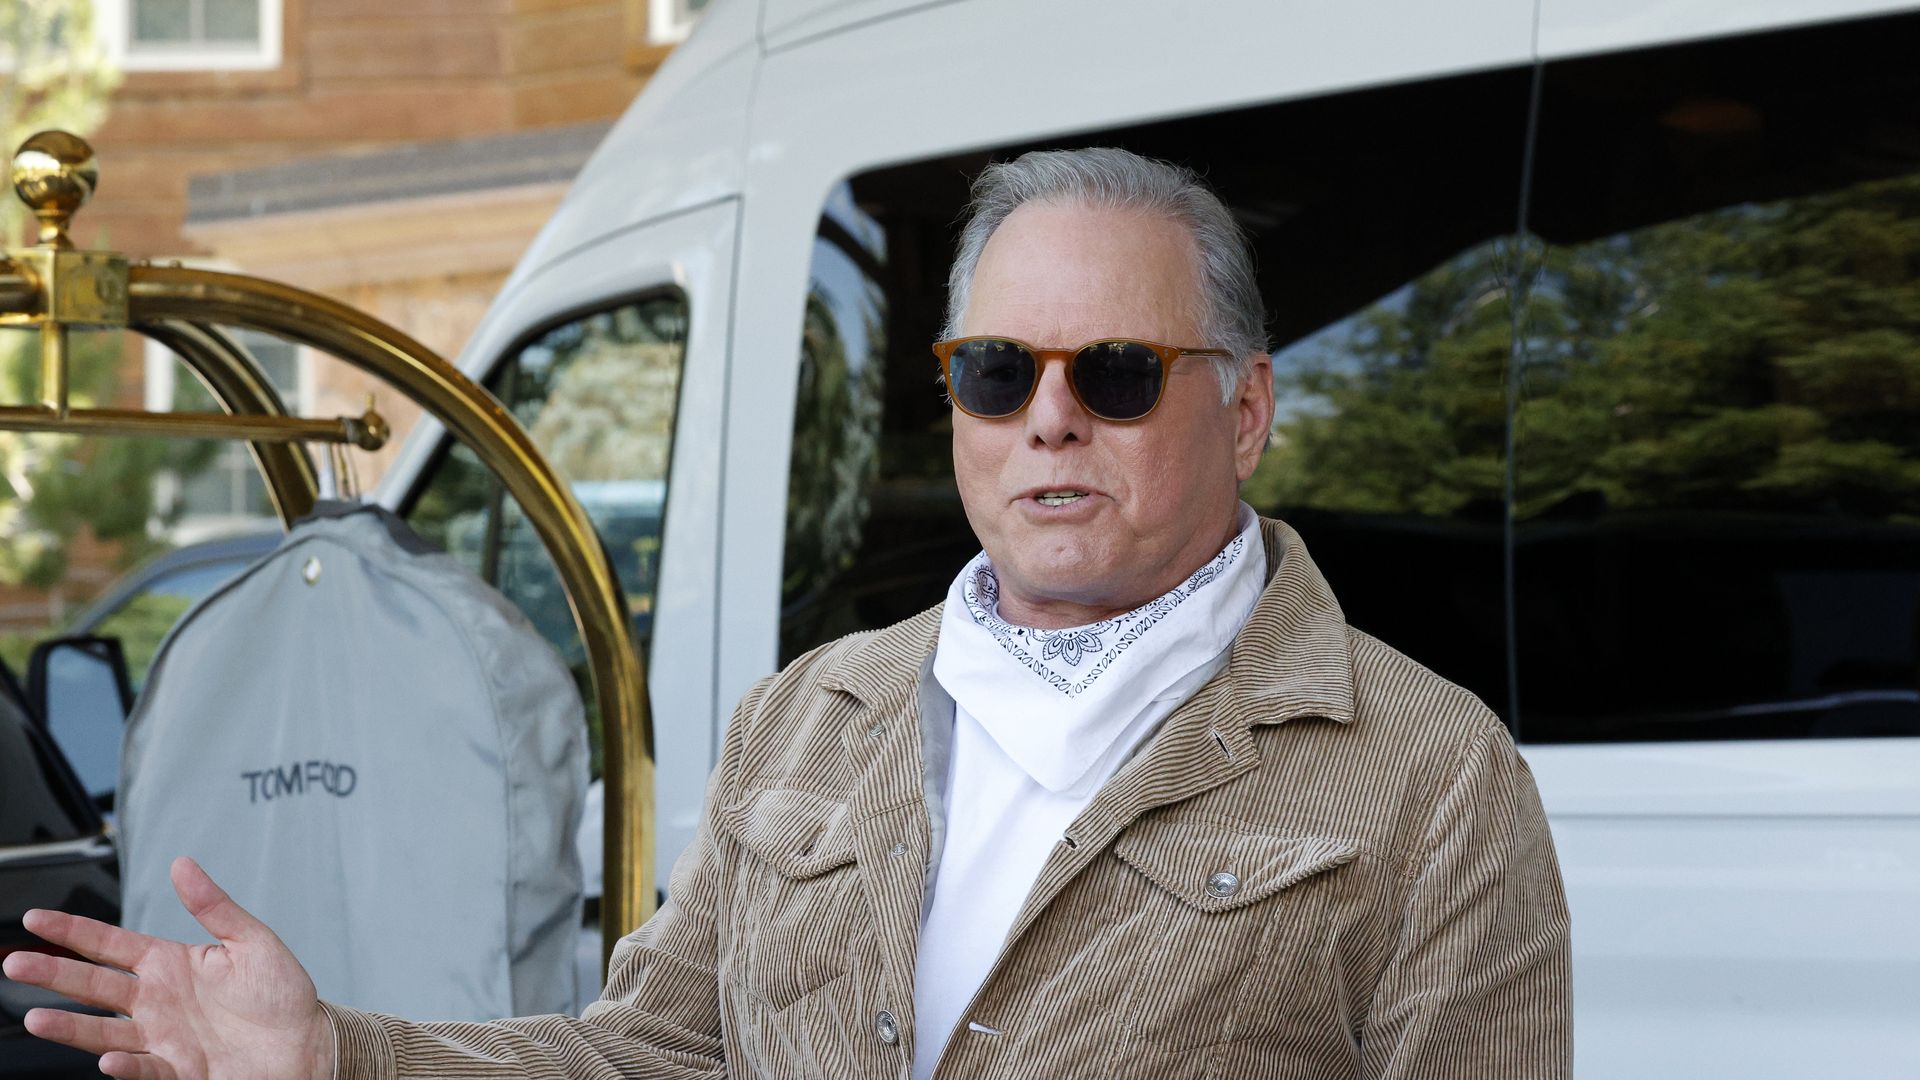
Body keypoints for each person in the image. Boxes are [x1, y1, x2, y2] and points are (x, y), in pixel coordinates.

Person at [5, 147, 1571, 1079]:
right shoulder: (811, 713)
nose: (1049, 420)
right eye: (995, 371)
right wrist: (340, 1051)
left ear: (1245, 412)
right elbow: (651, 1059)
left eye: (1114, 372)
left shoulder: (1430, 775)